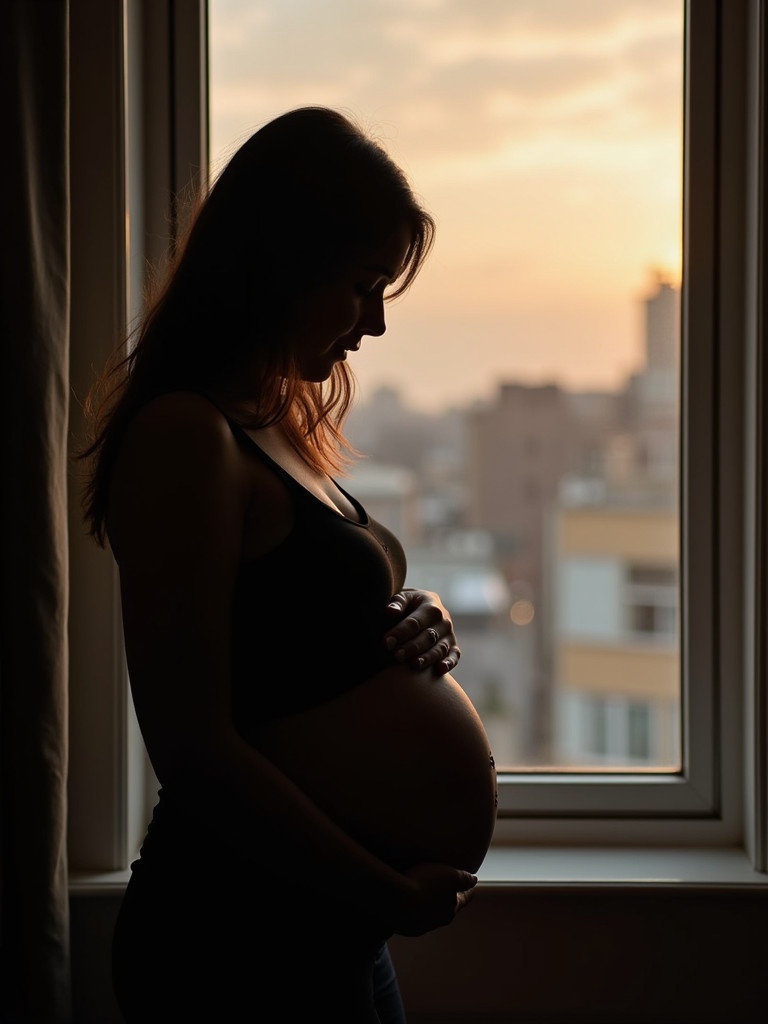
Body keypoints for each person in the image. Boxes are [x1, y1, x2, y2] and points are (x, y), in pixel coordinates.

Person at [79, 105, 497, 1023]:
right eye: (362, 285)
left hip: (328, 934)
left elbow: (304, 624)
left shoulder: (280, 421)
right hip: (233, 945)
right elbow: (193, 748)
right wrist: (388, 894)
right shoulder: (187, 435)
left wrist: (426, 611)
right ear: (281, 263)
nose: (376, 324)